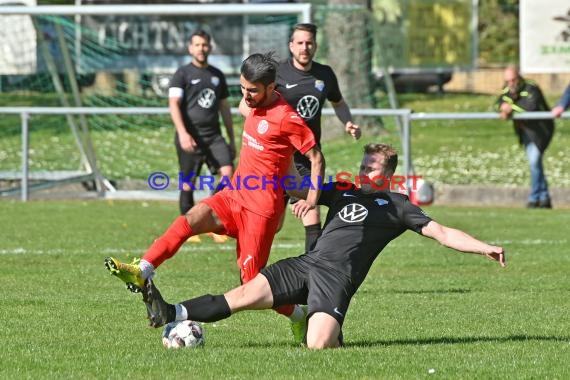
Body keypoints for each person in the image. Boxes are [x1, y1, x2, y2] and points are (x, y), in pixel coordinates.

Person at [140, 143, 506, 350]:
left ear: (389, 174)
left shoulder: (398, 206)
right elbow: (297, 187)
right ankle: (171, 312)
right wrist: (276, 161)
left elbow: (442, 232)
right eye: (363, 166)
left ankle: (328, 325)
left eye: (372, 170)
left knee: (319, 347)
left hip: (336, 280)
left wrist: (483, 246)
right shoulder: (342, 189)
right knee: (240, 296)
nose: (364, 173)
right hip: (306, 264)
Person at [105, 52, 325, 343]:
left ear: (272, 88)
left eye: (253, 90)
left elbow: (316, 157)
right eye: (243, 88)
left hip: (261, 210)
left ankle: (299, 315)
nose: (246, 95)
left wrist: (311, 198)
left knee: (250, 283)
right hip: (234, 195)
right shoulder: (251, 105)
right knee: (190, 219)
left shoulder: (287, 118)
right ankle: (142, 269)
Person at [276, 23, 361, 252]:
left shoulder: (325, 74)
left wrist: (348, 122)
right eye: (300, 43)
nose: (305, 48)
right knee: (273, 225)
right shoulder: (277, 73)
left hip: (306, 158)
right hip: (277, 158)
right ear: (291, 45)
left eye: (309, 43)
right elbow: (249, 106)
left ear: (315, 46)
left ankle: (310, 274)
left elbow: (339, 103)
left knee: (311, 211)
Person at [168, 30, 236, 243]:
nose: (201, 49)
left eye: (204, 45)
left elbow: (224, 107)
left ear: (210, 47)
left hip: (214, 136)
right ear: (190, 48)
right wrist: (183, 133)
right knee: (188, 183)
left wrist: (232, 138)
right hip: (191, 136)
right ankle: (187, 228)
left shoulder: (217, 75)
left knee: (228, 175)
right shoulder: (182, 74)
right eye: (197, 45)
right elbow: (173, 104)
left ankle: (213, 221)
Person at [495, 65, 555, 209]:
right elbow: (499, 103)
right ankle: (544, 197)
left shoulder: (531, 87)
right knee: (536, 162)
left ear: (519, 77)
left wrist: (510, 108)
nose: (510, 84)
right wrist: (502, 108)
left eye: (513, 80)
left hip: (542, 130)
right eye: (507, 81)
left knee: (534, 160)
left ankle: (534, 197)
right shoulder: (507, 90)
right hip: (526, 131)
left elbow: (530, 107)